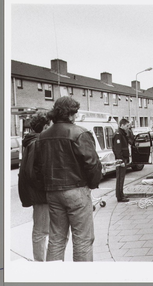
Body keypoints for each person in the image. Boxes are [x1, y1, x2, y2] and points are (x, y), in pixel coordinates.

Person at [34, 96, 102, 262]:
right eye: (75, 113)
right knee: (82, 240)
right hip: (77, 191)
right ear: (71, 114)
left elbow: (38, 168)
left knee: (56, 239)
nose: (76, 116)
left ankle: (55, 278)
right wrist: (91, 185)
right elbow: (92, 164)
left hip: (53, 192)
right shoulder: (80, 133)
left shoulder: (43, 136)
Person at [18, 112, 51, 261]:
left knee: (41, 230)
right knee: (41, 231)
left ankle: (42, 262)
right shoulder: (38, 143)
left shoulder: (31, 141)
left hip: (37, 194)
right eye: (49, 126)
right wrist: (46, 188)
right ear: (45, 127)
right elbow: (33, 173)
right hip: (41, 195)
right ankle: (40, 264)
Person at [112, 119, 131, 203]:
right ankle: (119, 196)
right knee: (120, 178)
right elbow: (117, 149)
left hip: (124, 158)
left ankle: (121, 194)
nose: (128, 128)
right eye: (127, 126)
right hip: (121, 159)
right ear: (122, 125)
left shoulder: (123, 134)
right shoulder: (118, 135)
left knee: (122, 178)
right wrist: (120, 160)